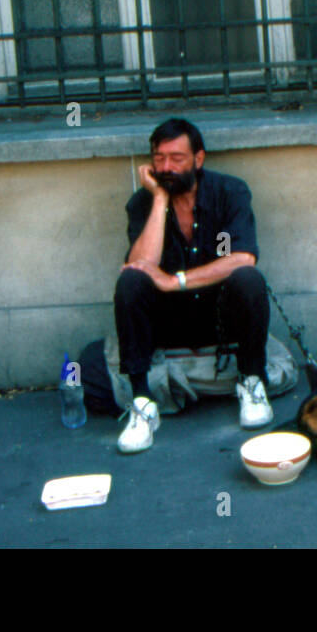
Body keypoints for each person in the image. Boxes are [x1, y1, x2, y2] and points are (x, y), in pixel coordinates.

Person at [113, 118, 272, 453]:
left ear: (199, 159)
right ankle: (143, 404)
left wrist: (176, 280)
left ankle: (251, 382)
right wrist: (159, 200)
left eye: (177, 158)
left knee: (249, 280)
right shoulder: (142, 203)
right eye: (159, 158)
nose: (166, 167)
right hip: (169, 323)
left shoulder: (230, 192)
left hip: (219, 317)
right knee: (130, 283)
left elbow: (243, 257)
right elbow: (140, 267)